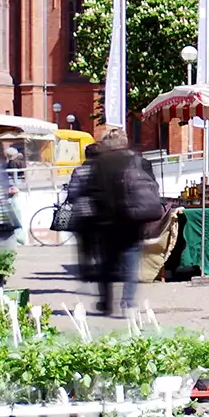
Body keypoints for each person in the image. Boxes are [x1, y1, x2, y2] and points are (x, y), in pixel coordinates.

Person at [85, 129, 160, 317]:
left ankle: (106, 303)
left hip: (107, 222)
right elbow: (152, 187)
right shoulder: (138, 161)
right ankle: (128, 304)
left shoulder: (98, 163)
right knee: (131, 263)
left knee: (105, 265)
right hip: (133, 221)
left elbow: (92, 192)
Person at [64, 141, 101, 284]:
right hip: (100, 212)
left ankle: (86, 273)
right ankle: (100, 269)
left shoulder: (79, 171)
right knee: (100, 242)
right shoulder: (104, 172)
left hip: (82, 213)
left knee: (84, 245)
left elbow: (72, 192)